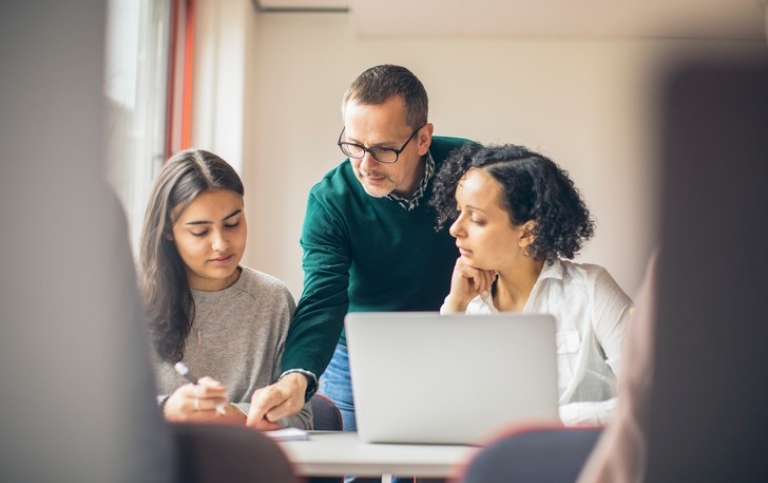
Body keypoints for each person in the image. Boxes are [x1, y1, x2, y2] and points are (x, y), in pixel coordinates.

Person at [430, 142, 632, 426]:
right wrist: (455, 307)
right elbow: (438, 406)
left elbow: (651, 395)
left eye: (476, 219)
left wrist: (552, 423)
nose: (455, 228)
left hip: (578, 463)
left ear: (528, 233)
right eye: (458, 211)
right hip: (494, 464)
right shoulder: (468, 306)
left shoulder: (592, 290)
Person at [139, 148, 311, 430]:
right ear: (168, 231)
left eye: (232, 224)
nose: (221, 244)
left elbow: (302, 417)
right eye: (200, 231)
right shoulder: (131, 300)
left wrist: (237, 415)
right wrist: (165, 408)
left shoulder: (272, 300)